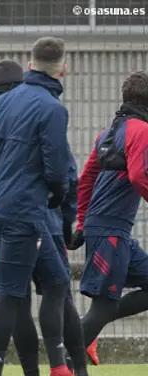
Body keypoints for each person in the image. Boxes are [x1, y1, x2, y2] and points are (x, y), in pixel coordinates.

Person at [0, 36, 73, 376]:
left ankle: (59, 368)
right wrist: (58, 195)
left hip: (3, 210)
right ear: (63, 70)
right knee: (11, 296)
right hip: (26, 212)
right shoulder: (54, 109)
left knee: (57, 282)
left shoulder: (2, 104)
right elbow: (57, 169)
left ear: (29, 65)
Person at [0, 60, 89, 376]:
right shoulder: (42, 114)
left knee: (15, 297)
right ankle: (66, 368)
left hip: (1, 218)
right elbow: (65, 172)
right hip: (42, 217)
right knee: (57, 289)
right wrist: (67, 217)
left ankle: (35, 370)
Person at [66, 70, 148, 368]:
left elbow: (86, 178)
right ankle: (66, 360)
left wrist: (83, 222)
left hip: (111, 231)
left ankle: (88, 332)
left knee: (104, 307)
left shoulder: (108, 133)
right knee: (104, 304)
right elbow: (140, 176)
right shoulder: (141, 130)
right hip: (111, 231)